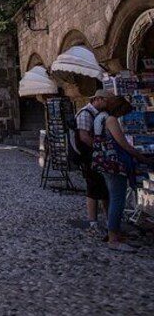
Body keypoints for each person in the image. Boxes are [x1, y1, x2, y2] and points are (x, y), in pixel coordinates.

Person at [92, 95, 153, 253]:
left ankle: (115, 233)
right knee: (118, 200)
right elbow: (124, 144)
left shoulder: (100, 117)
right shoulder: (110, 120)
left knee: (115, 198)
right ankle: (113, 237)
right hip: (113, 164)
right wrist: (142, 158)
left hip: (104, 162)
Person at [71, 89, 110, 236]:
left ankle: (109, 221)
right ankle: (93, 222)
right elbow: (84, 137)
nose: (108, 104)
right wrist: (100, 149)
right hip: (89, 157)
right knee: (93, 188)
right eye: (106, 101)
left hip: (96, 156)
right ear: (98, 99)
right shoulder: (86, 114)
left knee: (104, 188)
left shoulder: (96, 114)